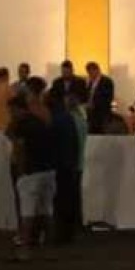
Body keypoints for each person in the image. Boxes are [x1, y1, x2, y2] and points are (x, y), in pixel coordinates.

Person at [7, 91, 55, 262]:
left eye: (11, 110)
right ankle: (49, 247)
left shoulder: (21, 125)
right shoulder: (40, 122)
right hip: (48, 170)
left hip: (30, 172)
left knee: (27, 213)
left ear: (17, 109)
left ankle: (25, 250)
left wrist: (20, 172)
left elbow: (19, 148)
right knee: (46, 211)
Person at [48, 89, 83, 244]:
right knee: (69, 199)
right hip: (71, 163)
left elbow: (51, 143)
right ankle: (68, 233)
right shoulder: (71, 119)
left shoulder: (56, 120)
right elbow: (75, 143)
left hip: (60, 164)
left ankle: (61, 235)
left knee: (60, 201)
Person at [83, 62, 116, 133]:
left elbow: (108, 98)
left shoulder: (107, 81)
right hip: (91, 115)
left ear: (97, 70)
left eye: (91, 71)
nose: (90, 74)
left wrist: (94, 104)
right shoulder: (90, 83)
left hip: (102, 115)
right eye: (88, 72)